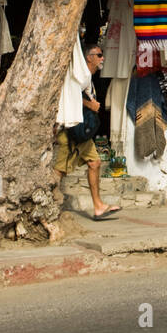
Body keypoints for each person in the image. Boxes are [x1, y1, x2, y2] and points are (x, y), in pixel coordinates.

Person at [53, 40, 120, 223]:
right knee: (59, 171)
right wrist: (89, 103)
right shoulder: (80, 76)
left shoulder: (85, 76)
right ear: (89, 58)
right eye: (99, 55)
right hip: (71, 131)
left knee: (95, 162)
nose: (102, 58)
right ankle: (45, 204)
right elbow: (68, 93)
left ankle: (98, 206)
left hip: (80, 131)